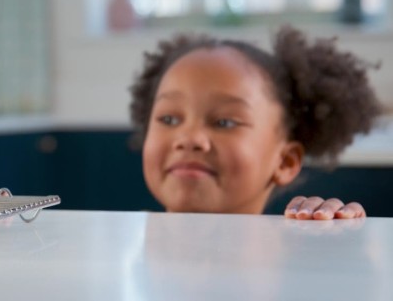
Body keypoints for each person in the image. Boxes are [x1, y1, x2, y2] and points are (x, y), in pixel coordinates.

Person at [129, 25, 381, 220]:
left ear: (285, 161)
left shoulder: (298, 249)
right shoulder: (123, 245)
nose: (189, 138)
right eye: (169, 118)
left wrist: (334, 231)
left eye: (225, 122)